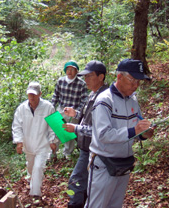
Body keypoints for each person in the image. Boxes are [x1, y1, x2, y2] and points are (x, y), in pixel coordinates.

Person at [85, 59, 155, 208]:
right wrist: (134, 130)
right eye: (133, 80)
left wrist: (144, 133)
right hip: (104, 164)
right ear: (119, 77)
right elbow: (103, 135)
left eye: (139, 81)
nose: (136, 85)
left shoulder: (132, 99)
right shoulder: (104, 100)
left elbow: (136, 128)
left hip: (124, 164)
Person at [63, 60, 108, 208]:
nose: (85, 79)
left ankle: (75, 205)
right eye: (85, 76)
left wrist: (75, 128)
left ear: (101, 77)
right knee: (86, 183)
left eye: (89, 76)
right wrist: (75, 113)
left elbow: (98, 129)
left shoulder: (105, 98)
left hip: (94, 150)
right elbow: (87, 118)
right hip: (87, 148)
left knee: (75, 181)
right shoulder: (93, 94)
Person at [12, 82, 57, 198]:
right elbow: (16, 126)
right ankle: (33, 182)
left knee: (38, 168)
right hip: (29, 146)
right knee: (31, 168)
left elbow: (54, 126)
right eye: (29, 95)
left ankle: (35, 195)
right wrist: (19, 141)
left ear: (40, 94)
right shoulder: (21, 108)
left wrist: (53, 141)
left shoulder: (49, 107)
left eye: (34, 95)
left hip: (43, 145)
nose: (31, 97)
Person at [51, 60, 88, 159]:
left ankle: (67, 153)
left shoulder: (81, 83)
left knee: (70, 132)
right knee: (56, 130)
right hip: (61, 109)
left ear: (76, 71)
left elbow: (84, 99)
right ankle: (52, 153)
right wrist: (51, 107)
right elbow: (56, 95)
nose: (70, 71)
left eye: (72, 69)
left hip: (73, 111)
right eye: (68, 69)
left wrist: (78, 111)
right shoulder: (60, 81)